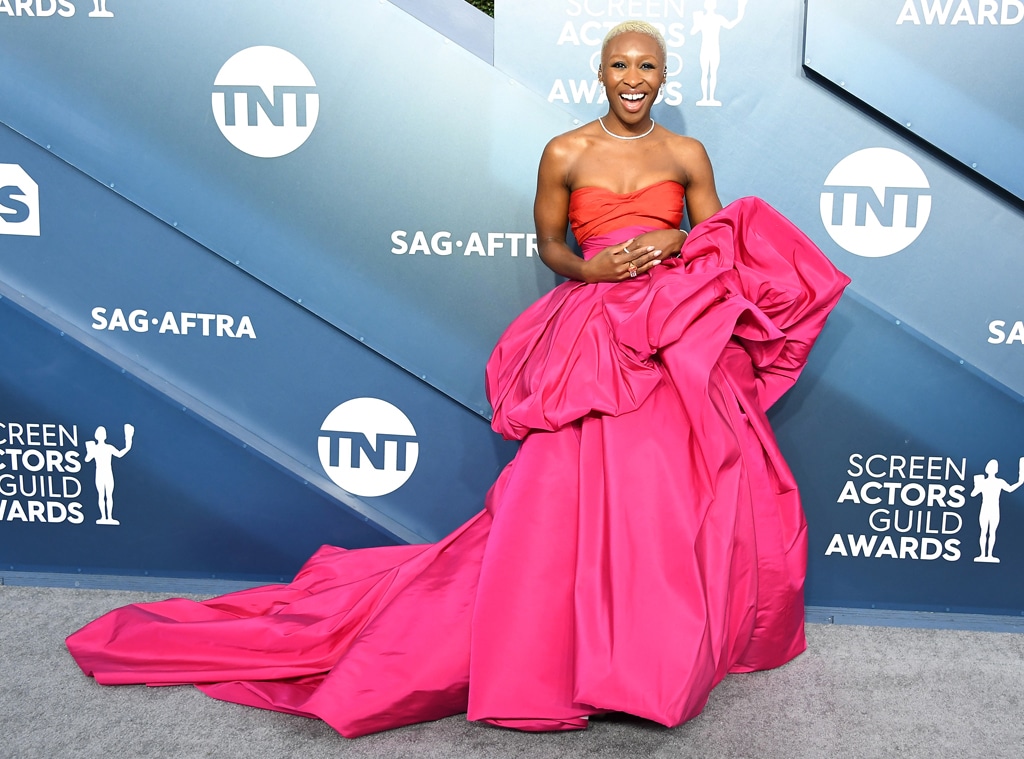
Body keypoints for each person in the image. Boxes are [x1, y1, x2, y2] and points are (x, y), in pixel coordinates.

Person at [66, 21, 850, 738]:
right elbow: (551, 247)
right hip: (594, 335)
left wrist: (670, 247)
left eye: (648, 65)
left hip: (670, 334)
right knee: (563, 504)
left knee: (666, 496)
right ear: (601, 72)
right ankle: (566, 654)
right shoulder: (565, 152)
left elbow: (716, 241)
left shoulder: (686, 156)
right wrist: (596, 265)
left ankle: (650, 656)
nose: (634, 76)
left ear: (665, 75)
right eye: (621, 64)